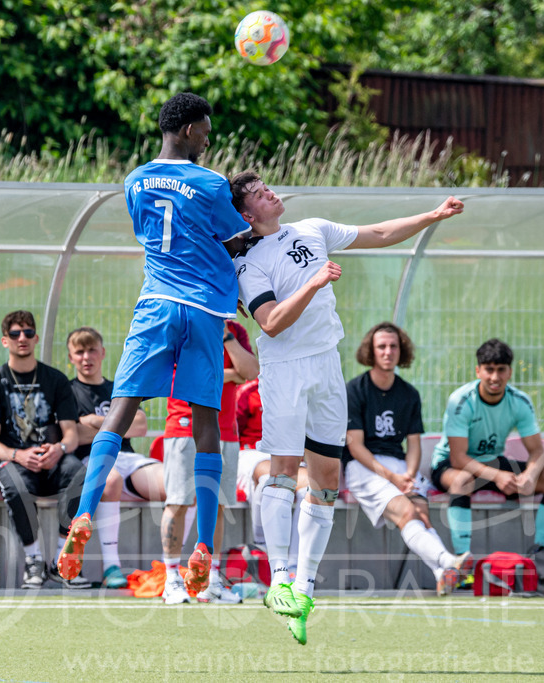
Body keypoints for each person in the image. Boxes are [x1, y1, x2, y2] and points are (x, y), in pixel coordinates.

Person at [230, 170, 463, 644]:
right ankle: (279, 579)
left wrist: (432, 215)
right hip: (286, 370)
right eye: (258, 194)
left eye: (266, 187)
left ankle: (306, 586)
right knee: (281, 472)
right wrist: (314, 283)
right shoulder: (247, 262)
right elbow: (271, 321)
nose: (270, 193)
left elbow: (378, 233)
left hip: (326, 366)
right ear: (247, 214)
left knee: (327, 479)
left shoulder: (312, 228)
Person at [57, 92, 250, 595]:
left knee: (120, 412)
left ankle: (83, 514)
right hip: (206, 311)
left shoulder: (134, 180)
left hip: (156, 305)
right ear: (187, 129)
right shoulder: (210, 183)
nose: (207, 142)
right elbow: (237, 240)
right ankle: (203, 544)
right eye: (205, 133)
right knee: (206, 420)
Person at [344, 322, 472, 595]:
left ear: (402, 351)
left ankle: (442, 573)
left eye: (393, 346)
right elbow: (355, 446)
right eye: (382, 346)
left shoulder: (409, 394)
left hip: (400, 467)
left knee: (420, 512)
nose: (388, 352)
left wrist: (410, 475)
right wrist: (392, 477)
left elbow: (413, 444)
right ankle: (448, 561)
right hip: (363, 468)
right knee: (407, 510)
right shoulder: (354, 390)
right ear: (371, 351)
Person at [430, 338, 544, 582]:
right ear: (478, 371)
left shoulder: (520, 401)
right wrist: (498, 476)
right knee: (462, 481)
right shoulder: (460, 401)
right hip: (450, 465)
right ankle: (462, 564)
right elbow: (458, 457)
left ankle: (541, 553)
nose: (495, 377)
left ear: (510, 371)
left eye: (501, 370)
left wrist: (529, 476)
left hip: (493, 463)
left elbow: (537, 451)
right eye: (489, 370)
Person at [0, 310, 91, 589]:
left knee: (80, 473)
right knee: (15, 485)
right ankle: (34, 560)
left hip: (53, 459)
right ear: (5, 341)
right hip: (14, 461)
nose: (22, 338)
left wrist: (59, 449)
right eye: (15, 333)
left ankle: (62, 559)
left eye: (27, 332)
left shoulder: (56, 380)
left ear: (36, 337)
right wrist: (18, 455)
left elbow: (72, 434)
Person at [160, 319, 258, 605]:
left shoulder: (234, 331)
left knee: (217, 505)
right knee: (178, 502)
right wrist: (229, 375)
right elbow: (178, 377)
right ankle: (171, 579)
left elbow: (250, 372)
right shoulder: (181, 322)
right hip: (183, 427)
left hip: (225, 431)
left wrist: (227, 337)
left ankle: (210, 580)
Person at [66, 326, 165, 589]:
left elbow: (141, 425)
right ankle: (112, 566)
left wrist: (96, 422)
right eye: (79, 352)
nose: (86, 357)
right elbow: (74, 435)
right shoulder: (67, 391)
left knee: (177, 484)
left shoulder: (118, 387)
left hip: (128, 458)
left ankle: (175, 568)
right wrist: (119, 423)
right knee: (110, 480)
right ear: (71, 358)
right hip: (89, 461)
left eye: (91, 350)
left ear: (102, 353)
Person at [235, 378, 309, 578]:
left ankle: (295, 569)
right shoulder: (248, 391)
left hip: (290, 457)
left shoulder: (301, 391)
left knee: (310, 490)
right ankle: (263, 550)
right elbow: (230, 435)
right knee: (272, 479)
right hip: (251, 454)